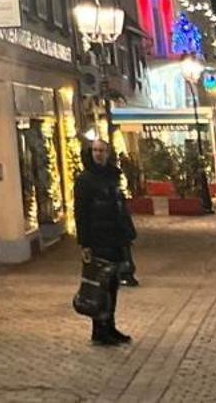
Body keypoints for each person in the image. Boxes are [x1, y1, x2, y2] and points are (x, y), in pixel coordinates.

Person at [73, 140, 136, 345]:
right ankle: (99, 330)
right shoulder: (84, 180)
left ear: (108, 153)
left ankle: (110, 325)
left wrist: (127, 232)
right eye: (95, 151)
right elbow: (80, 213)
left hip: (115, 238)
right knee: (98, 286)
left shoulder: (113, 176)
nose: (99, 154)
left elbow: (120, 207)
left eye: (102, 151)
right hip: (98, 239)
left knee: (113, 285)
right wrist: (85, 243)